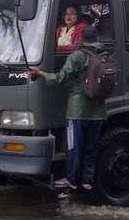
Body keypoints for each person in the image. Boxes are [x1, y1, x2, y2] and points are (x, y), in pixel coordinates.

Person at [30, 26, 107, 191]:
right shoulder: (104, 54)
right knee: (91, 148)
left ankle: (72, 179)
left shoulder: (77, 56)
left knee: (74, 147)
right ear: (97, 37)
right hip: (99, 109)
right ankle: (87, 181)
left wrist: (40, 73)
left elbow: (60, 78)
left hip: (78, 110)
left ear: (80, 38)